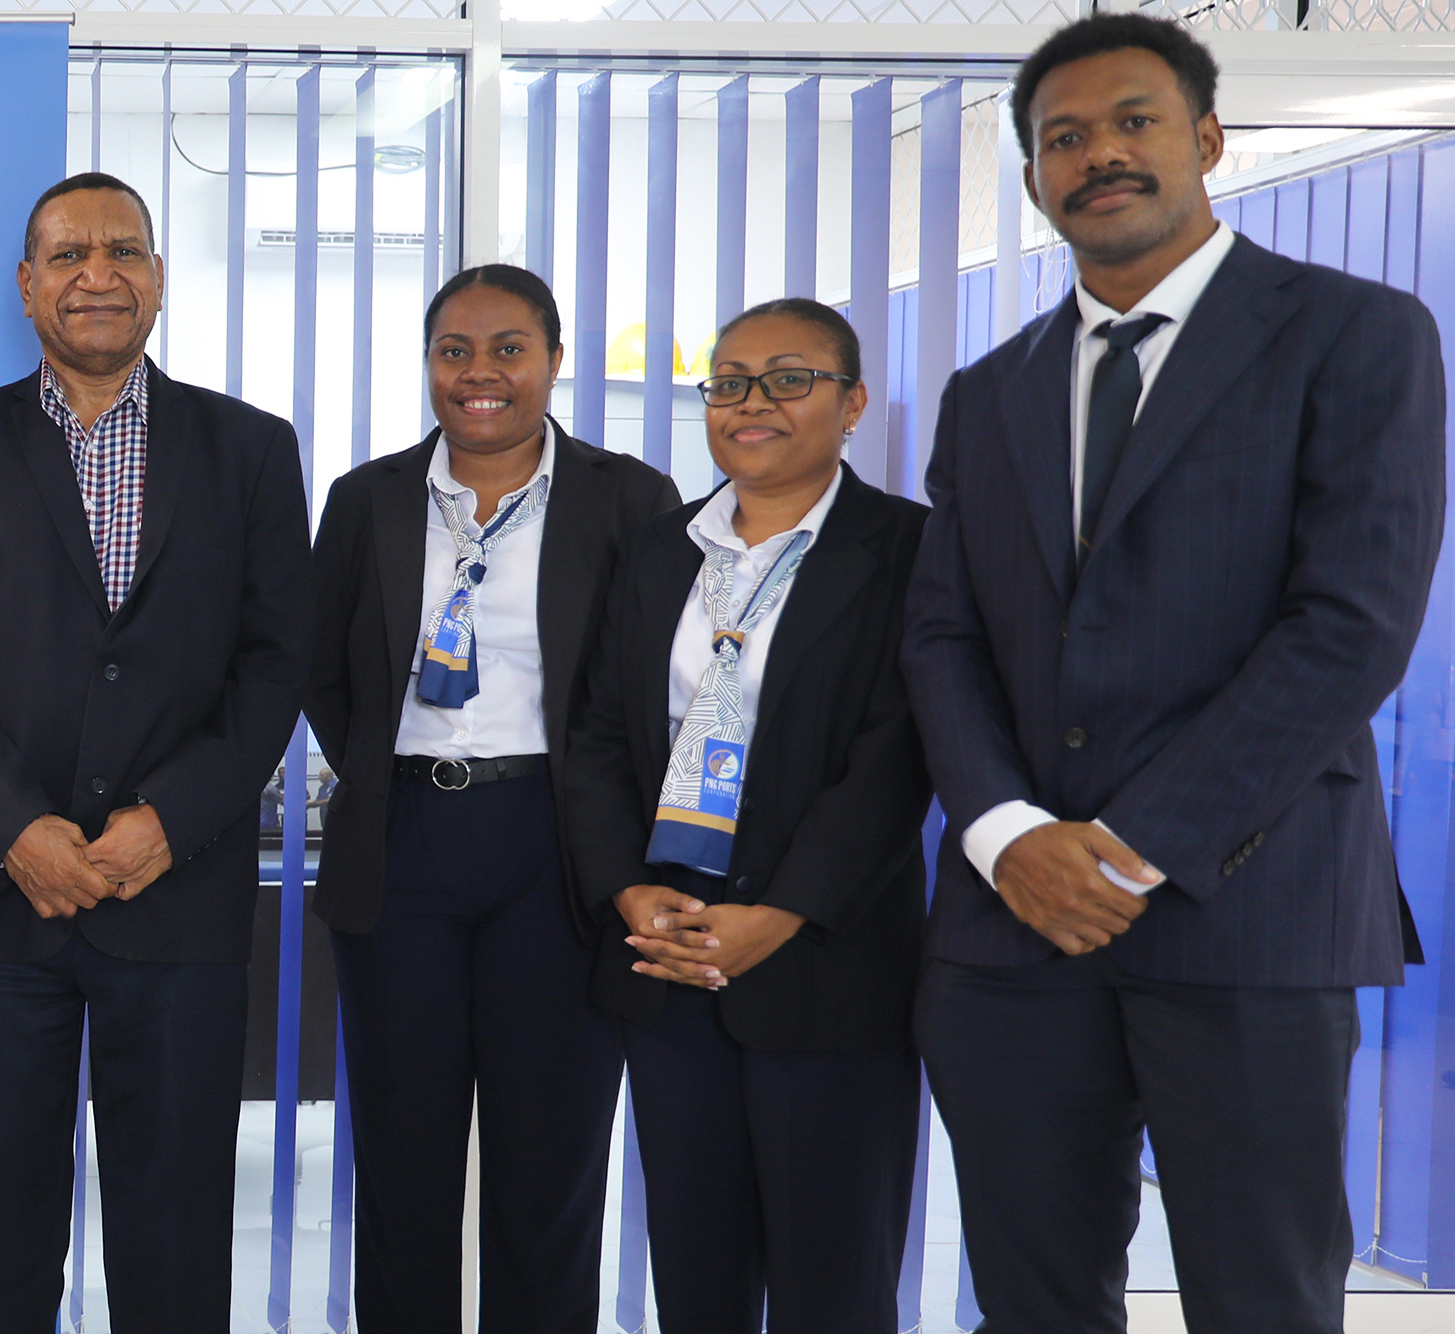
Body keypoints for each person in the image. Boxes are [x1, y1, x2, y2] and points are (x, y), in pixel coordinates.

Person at [907, 15, 1446, 1332]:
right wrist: (1006, 833)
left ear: (1205, 138)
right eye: (1061, 138)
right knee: (1030, 1298)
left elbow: (1349, 622)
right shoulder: (990, 391)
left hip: (1246, 911)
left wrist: (1129, 848)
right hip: (1009, 930)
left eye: (1130, 121)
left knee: (1258, 1293)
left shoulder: (1354, 333)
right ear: (1034, 177)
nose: (1097, 154)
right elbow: (940, 634)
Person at [0, 172, 311, 1334]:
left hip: (177, 900)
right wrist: (17, 828)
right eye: (69, 254)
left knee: (173, 1248)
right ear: (28, 287)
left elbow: (277, 664)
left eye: (124, 250)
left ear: (158, 279)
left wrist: (168, 821)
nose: (98, 273)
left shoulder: (252, 451)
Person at [304, 263, 680, 1333]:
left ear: (553, 360)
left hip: (561, 848)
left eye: (508, 348)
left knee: (548, 1163)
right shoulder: (366, 497)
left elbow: (647, 685)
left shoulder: (630, 497)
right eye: (454, 351)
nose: (481, 375)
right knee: (402, 1153)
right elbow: (325, 671)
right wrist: (390, 770)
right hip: (404, 842)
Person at [559, 299, 929, 1334]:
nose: (751, 402)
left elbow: (897, 758)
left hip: (826, 961)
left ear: (852, 402)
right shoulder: (659, 546)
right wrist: (628, 891)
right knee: (697, 1272)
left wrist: (783, 912)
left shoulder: (906, 547)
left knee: (834, 1279)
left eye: (787, 378)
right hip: (667, 951)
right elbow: (595, 732)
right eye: (728, 380)